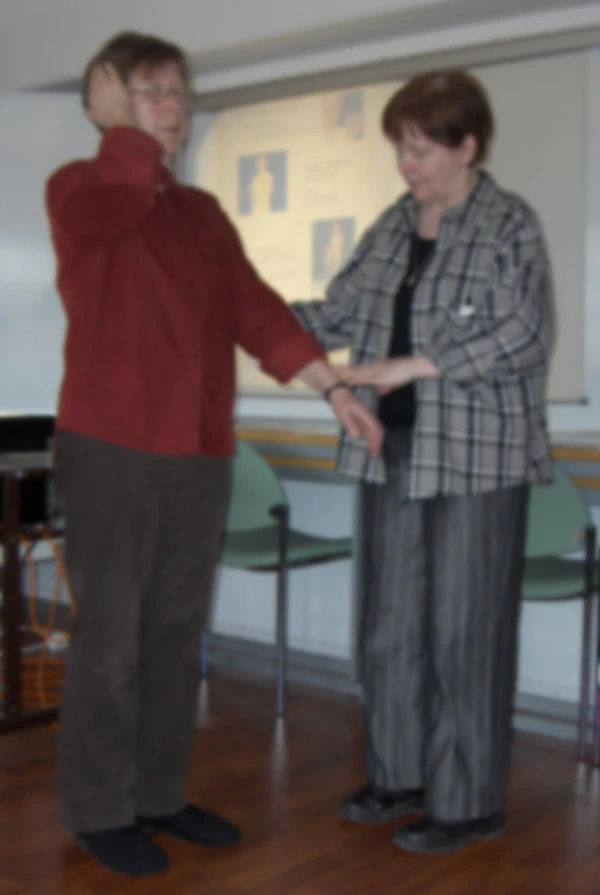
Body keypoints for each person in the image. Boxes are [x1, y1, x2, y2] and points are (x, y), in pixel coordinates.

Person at [46, 31, 383, 877]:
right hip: (114, 448)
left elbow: (256, 310)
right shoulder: (81, 189)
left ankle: (157, 793)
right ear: (107, 104)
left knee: (173, 630)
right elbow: (125, 184)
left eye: (179, 93)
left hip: (197, 451)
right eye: (150, 92)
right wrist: (122, 125)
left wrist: (332, 388)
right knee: (111, 638)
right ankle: (99, 808)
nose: (172, 108)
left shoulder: (200, 215)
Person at [291, 69, 554, 855]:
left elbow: (527, 332)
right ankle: (400, 773)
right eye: (399, 148)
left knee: (463, 632)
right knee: (389, 624)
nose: (405, 165)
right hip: (393, 449)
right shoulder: (391, 226)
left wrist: (419, 363)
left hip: (477, 461)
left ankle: (467, 802)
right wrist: (242, 311)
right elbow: (335, 311)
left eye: (420, 149)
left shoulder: (509, 223)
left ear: (467, 146)